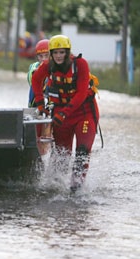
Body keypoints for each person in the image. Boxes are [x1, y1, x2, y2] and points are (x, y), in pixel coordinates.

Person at [31, 34, 100, 192]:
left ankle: (77, 187)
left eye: (62, 52)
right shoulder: (48, 66)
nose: (59, 56)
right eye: (55, 53)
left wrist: (64, 113)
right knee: (62, 154)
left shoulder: (80, 64)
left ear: (68, 52)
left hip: (84, 113)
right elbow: (36, 80)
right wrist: (41, 104)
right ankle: (55, 187)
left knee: (82, 150)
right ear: (51, 54)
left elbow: (81, 93)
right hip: (61, 115)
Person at [27, 39, 51, 157]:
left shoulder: (58, 67)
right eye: (40, 56)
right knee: (37, 139)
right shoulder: (34, 67)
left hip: (52, 108)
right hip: (37, 108)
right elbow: (32, 76)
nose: (43, 59)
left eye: (46, 56)